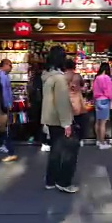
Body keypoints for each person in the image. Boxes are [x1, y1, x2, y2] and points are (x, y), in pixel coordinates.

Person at [42, 46, 79, 193]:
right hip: (60, 120)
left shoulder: (47, 76)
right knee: (70, 150)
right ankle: (64, 181)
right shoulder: (59, 79)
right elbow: (62, 102)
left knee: (55, 151)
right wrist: (67, 123)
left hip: (50, 119)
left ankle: (51, 180)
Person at [92, 62, 112, 149]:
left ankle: (98, 140)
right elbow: (109, 91)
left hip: (97, 100)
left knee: (97, 121)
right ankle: (102, 143)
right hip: (104, 101)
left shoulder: (96, 78)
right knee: (103, 122)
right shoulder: (106, 78)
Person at [28, 62, 50, 151]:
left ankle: (37, 138)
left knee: (38, 121)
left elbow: (33, 90)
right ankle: (43, 140)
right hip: (42, 102)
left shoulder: (36, 78)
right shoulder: (44, 78)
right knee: (43, 122)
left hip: (37, 102)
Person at [64, 59, 87, 139]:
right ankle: (79, 138)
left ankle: (68, 137)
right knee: (79, 121)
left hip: (67, 100)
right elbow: (83, 85)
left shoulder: (63, 76)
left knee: (68, 121)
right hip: (78, 101)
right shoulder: (77, 76)